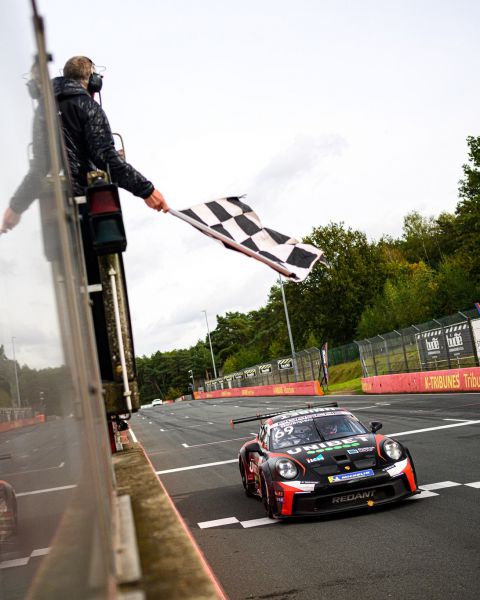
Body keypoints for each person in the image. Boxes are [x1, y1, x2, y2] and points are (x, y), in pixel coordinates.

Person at [1, 55, 168, 233]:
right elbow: (105, 157)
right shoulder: (89, 106)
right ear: (94, 81)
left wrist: (15, 208)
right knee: (106, 247)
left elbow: (40, 168)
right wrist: (147, 190)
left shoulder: (43, 109)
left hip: (60, 205)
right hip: (88, 200)